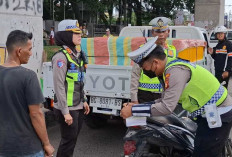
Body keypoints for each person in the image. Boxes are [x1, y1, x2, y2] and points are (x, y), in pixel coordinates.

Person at [121, 37, 232, 156]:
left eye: (144, 68)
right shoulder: (168, 69)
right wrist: (137, 106)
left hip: (219, 113)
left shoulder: (175, 71)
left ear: (155, 63)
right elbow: (164, 99)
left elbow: (166, 107)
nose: (144, 71)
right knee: (200, 148)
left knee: (204, 153)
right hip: (207, 114)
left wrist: (133, 110)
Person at [0, 30, 54, 156]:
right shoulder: (28, 76)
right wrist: (46, 143)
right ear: (19, 51)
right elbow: (36, 114)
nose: (31, 53)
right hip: (26, 148)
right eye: (29, 49)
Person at [52, 19, 90, 157]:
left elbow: (79, 81)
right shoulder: (61, 58)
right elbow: (59, 86)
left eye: (80, 33)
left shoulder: (77, 55)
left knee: (72, 141)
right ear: (66, 35)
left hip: (77, 105)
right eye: (75, 33)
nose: (80, 35)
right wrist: (65, 111)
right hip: (67, 108)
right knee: (68, 141)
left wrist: (84, 100)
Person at [130, 17, 177, 104]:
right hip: (144, 95)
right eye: (158, 32)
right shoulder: (144, 50)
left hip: (164, 95)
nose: (161, 35)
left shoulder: (173, 51)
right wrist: (134, 99)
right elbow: (135, 74)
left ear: (168, 32)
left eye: (163, 31)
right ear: (152, 33)